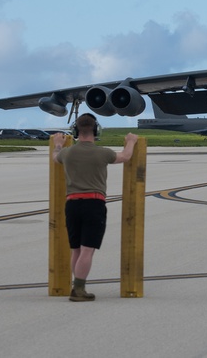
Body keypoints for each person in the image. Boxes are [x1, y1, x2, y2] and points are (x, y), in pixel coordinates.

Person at [51, 114, 138, 302]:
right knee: (87, 250)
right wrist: (131, 141)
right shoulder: (103, 153)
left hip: (72, 204)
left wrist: (58, 143)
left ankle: (77, 285)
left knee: (76, 249)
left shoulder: (68, 153)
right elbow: (126, 156)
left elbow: (55, 156)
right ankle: (79, 289)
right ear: (96, 131)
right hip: (94, 203)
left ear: (76, 131)